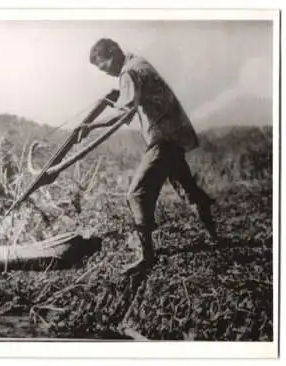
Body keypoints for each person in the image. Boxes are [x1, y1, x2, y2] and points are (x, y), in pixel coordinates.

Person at [78, 38, 218, 272]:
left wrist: (90, 126)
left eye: (105, 66)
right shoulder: (138, 63)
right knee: (187, 190)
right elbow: (134, 98)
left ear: (113, 53)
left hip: (163, 139)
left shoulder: (128, 73)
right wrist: (118, 95)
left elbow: (124, 113)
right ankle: (215, 236)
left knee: (135, 194)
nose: (107, 73)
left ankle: (147, 257)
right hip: (175, 135)